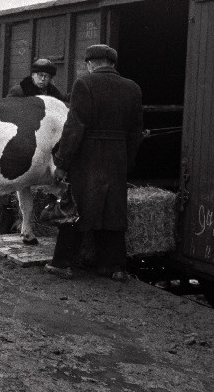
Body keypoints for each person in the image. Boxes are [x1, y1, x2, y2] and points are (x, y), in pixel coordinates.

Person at [44, 44, 143, 282]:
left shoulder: (84, 84)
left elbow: (74, 127)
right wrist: (127, 161)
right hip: (117, 157)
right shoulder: (132, 87)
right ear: (112, 64)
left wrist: (62, 163)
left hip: (88, 157)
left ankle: (62, 264)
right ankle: (114, 267)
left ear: (90, 64)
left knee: (77, 208)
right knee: (113, 211)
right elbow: (136, 132)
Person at [0, 58, 67, 234]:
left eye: (47, 77)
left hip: (43, 146)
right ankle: (4, 229)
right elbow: (8, 116)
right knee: (9, 186)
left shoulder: (54, 94)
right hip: (19, 143)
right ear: (33, 75)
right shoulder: (19, 91)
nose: (43, 79)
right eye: (40, 75)